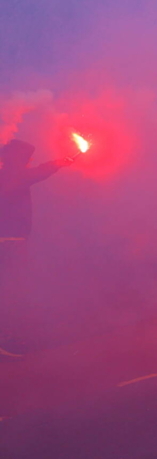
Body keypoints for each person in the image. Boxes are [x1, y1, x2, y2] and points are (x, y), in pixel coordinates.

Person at [0, 139, 75, 359]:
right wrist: (61, 161)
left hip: (7, 240)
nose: (30, 161)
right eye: (27, 157)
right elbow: (40, 172)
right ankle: (6, 340)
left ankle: (7, 337)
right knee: (13, 291)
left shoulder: (6, 173)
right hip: (10, 242)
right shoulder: (14, 175)